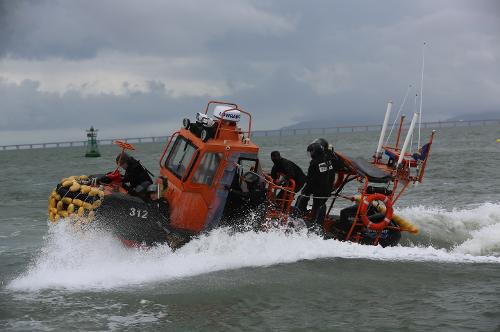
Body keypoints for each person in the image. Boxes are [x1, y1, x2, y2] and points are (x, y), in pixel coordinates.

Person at [296, 142, 334, 226]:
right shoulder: (328, 160)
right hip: (327, 190)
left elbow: (310, 179)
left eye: (311, 152)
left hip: (318, 190)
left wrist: (305, 190)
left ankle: (298, 217)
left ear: (315, 152)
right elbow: (331, 176)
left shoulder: (314, 163)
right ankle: (317, 223)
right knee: (319, 205)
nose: (310, 154)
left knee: (303, 197)